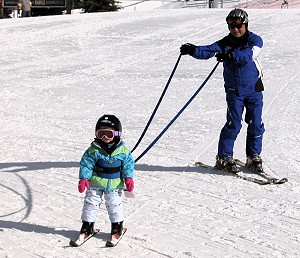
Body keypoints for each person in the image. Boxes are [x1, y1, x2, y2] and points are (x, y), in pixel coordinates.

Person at [180, 8, 265, 173]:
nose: (235, 29)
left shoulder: (255, 40)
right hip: (234, 90)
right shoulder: (225, 43)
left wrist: (231, 56)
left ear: (245, 24)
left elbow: (249, 54)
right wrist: (192, 50)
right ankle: (224, 157)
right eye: (231, 26)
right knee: (234, 124)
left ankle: (253, 155)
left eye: (238, 25)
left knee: (256, 123)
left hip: (254, 89)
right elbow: (209, 50)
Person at [76, 114, 135, 244]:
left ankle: (117, 228)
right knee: (90, 204)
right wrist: (84, 178)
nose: (104, 138)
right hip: (95, 182)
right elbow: (86, 163)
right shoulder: (93, 150)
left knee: (114, 205)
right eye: (101, 133)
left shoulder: (123, 151)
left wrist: (128, 178)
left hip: (114, 184)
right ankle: (87, 227)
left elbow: (128, 164)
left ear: (117, 134)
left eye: (108, 134)